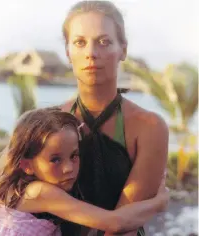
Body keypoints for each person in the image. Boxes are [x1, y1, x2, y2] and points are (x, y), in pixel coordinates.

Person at [60, 1, 169, 235]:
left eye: (104, 41)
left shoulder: (149, 127)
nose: (91, 53)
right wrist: (158, 203)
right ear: (68, 51)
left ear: (123, 50)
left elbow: (122, 226)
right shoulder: (48, 122)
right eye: (80, 42)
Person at [0, 107, 169, 236]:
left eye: (74, 156)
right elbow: (115, 223)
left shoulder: (15, 190)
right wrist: (158, 203)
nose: (69, 168)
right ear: (26, 165)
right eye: (55, 160)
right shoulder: (38, 192)